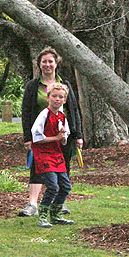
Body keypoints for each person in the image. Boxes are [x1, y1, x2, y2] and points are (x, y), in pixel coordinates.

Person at [19, 46, 83, 217]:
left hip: (63, 134)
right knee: (38, 167)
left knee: (62, 167)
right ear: (39, 64)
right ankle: (32, 204)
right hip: (42, 135)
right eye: (44, 61)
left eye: (51, 61)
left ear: (56, 63)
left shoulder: (65, 84)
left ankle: (58, 203)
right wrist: (28, 138)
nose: (47, 65)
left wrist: (78, 135)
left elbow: (74, 110)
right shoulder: (33, 86)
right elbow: (26, 112)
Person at [29, 83, 75, 227]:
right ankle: (43, 216)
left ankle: (56, 214)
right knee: (53, 186)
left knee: (66, 186)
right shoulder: (44, 115)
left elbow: (64, 138)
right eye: (54, 96)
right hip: (43, 155)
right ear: (48, 97)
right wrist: (56, 137)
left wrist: (62, 137)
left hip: (57, 154)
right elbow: (36, 137)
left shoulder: (62, 117)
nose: (57, 99)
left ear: (64, 100)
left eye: (60, 97)